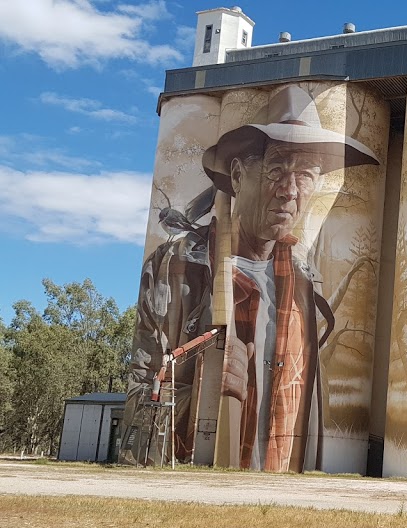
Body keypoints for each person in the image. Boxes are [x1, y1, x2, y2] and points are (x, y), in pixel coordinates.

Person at [119, 85, 379, 472]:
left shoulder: (305, 281)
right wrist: (207, 382)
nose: (290, 192)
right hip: (194, 474)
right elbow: (144, 386)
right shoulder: (181, 266)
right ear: (238, 176)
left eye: (306, 175)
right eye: (276, 170)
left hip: (286, 481)